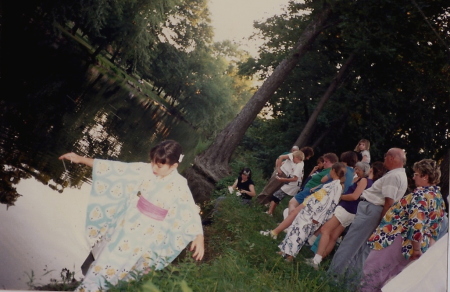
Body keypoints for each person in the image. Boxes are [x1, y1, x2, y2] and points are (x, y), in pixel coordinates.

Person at [59, 140, 204, 291]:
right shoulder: (146, 170)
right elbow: (116, 170)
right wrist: (81, 159)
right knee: (108, 259)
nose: (154, 167)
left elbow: (188, 210)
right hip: (127, 226)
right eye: (153, 162)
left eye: (159, 166)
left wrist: (199, 236)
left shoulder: (180, 185)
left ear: (174, 166)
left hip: (148, 235)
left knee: (126, 267)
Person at [360, 159, 446, 291]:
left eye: (416, 174)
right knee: (389, 282)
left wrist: (416, 249)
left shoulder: (421, 195)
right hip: (414, 248)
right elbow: (434, 230)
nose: (413, 177)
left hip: (396, 240)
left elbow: (416, 223)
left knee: (372, 275)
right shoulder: (438, 199)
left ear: (425, 176)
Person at [327, 148, 408, 285]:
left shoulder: (393, 176)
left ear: (392, 158)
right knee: (362, 250)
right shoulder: (400, 175)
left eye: (385, 157)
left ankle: (332, 277)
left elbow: (388, 202)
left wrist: (380, 223)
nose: (383, 160)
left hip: (372, 211)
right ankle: (349, 282)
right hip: (375, 211)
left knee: (350, 244)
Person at [305, 161, 386, 269]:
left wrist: (339, 196)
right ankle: (319, 259)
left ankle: (316, 259)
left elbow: (354, 196)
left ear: (372, 169)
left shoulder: (365, 180)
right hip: (353, 212)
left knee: (325, 230)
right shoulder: (374, 185)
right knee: (334, 236)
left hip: (346, 208)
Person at [264, 163, 347, 262]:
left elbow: (327, 205)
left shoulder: (335, 186)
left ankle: (290, 255)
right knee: (295, 229)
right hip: (308, 210)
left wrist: (318, 218)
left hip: (313, 215)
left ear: (333, 170)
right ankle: (285, 250)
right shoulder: (333, 184)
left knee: (300, 234)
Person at [265, 150, 305, 216]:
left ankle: (270, 212)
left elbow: (295, 178)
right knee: (278, 197)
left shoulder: (299, 166)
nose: (292, 160)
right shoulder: (301, 163)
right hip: (292, 184)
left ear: (297, 158)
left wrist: (283, 179)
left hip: (292, 185)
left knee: (276, 195)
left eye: (293, 158)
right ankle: (271, 211)